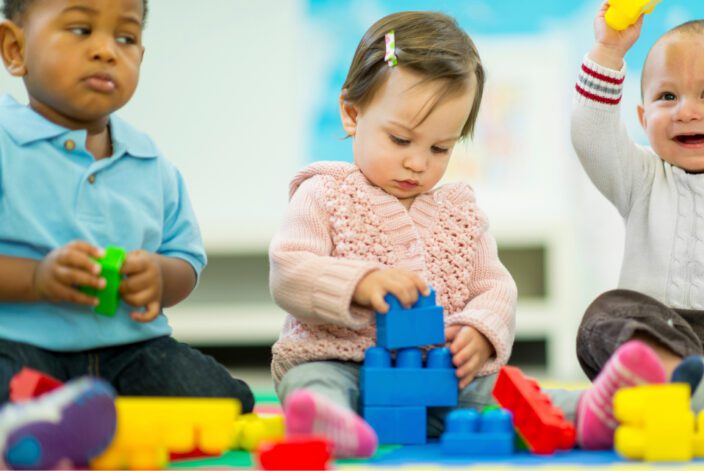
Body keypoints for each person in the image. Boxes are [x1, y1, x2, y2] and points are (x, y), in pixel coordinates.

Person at [0, 0, 254, 465]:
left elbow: (186, 259)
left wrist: (159, 277)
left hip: (128, 349)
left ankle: (74, 421)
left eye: (125, 38)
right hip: (18, 344)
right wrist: (37, 279)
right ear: (14, 49)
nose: (105, 51)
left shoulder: (151, 161)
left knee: (219, 398)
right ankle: (46, 418)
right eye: (79, 29)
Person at [269, 11, 517, 458]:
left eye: (440, 148)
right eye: (401, 140)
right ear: (351, 113)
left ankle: (586, 408)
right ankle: (328, 422)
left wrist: (481, 332)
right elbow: (289, 272)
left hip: (435, 380)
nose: (418, 163)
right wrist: (358, 284)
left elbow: (494, 287)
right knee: (311, 383)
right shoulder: (323, 194)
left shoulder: (461, 213)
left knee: (501, 398)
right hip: (339, 363)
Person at [570, 1, 704, 449]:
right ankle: (681, 389)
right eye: (666, 97)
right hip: (668, 342)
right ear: (643, 119)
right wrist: (609, 49)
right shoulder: (641, 177)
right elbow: (589, 133)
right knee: (605, 315)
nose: (686, 111)